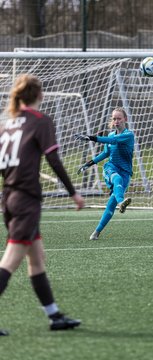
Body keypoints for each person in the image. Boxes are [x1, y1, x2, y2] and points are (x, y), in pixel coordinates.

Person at [0, 74, 85, 336]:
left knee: (37, 259)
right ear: (40, 95)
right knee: (11, 260)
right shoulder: (40, 121)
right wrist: (74, 193)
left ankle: (54, 315)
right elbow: (54, 160)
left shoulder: (7, 125)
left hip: (10, 198)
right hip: (25, 199)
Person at [75, 107, 134, 240]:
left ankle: (96, 232)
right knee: (116, 178)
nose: (116, 121)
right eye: (114, 118)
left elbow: (113, 141)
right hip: (111, 167)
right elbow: (106, 153)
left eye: (119, 118)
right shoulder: (110, 135)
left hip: (125, 172)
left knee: (110, 206)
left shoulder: (129, 135)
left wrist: (91, 137)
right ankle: (121, 202)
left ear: (125, 119)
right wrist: (90, 163)